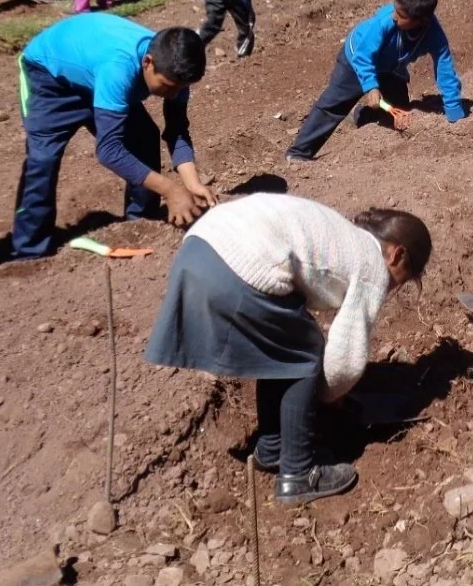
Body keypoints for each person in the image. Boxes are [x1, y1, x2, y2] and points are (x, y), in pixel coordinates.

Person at [146, 194, 430, 505]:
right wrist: (328, 396)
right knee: (304, 353)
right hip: (239, 264)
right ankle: (298, 473)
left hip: (200, 248)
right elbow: (345, 361)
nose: (392, 289)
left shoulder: (344, 235)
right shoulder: (373, 265)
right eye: (400, 281)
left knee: (281, 350)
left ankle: (273, 447)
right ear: (396, 255)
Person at [12, 16, 215, 258]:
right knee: (42, 160)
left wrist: (191, 183)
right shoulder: (119, 68)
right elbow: (108, 150)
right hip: (49, 76)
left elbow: (177, 129)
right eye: (167, 86)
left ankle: (141, 222)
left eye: (181, 88)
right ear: (147, 63)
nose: (173, 95)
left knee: (144, 137)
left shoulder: (175, 72)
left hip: (95, 70)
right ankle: (29, 251)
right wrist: (170, 190)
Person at [286, 0, 465, 160]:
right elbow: (363, 56)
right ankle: (298, 153)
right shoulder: (384, 21)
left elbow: (445, 69)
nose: (395, 16)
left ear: (421, 21)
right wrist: (371, 87)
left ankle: (361, 116)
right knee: (334, 105)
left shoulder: (434, 34)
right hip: (357, 57)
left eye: (401, 15)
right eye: (395, 9)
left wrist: (454, 111)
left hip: (390, 66)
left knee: (398, 109)